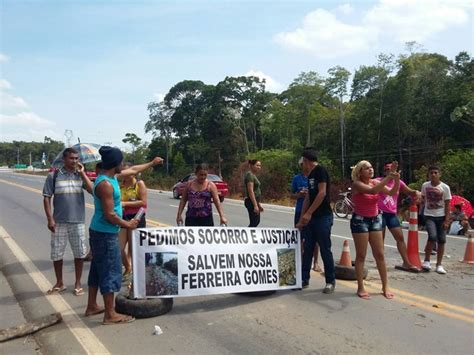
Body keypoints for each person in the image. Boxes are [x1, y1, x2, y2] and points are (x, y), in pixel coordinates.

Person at [84, 147, 164, 324]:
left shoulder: (111, 177)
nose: (124, 165)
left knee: (97, 270)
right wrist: (127, 224)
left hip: (101, 231)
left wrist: (151, 163)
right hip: (105, 233)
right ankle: (110, 315)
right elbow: (110, 214)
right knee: (111, 271)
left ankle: (91, 306)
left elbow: (135, 170)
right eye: (121, 161)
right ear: (114, 164)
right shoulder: (105, 184)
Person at [42, 148, 93, 296]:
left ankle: (77, 284)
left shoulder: (80, 176)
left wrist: (83, 173)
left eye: (77, 158)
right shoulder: (54, 175)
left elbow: (93, 190)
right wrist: (50, 219)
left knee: (79, 254)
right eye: (71, 158)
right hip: (59, 222)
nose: (75, 161)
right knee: (57, 254)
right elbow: (47, 197)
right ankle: (59, 283)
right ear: (64, 159)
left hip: (77, 221)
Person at [350, 160, 400, 300]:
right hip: (360, 221)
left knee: (380, 254)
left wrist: (396, 179)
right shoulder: (357, 184)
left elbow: (392, 192)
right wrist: (389, 176)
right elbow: (373, 191)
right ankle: (361, 286)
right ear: (360, 172)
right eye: (366, 168)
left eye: (371, 167)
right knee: (361, 255)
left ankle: (385, 286)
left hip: (376, 219)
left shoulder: (374, 182)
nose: (370, 170)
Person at [296, 148, 335, 293]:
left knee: (325, 248)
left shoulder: (320, 170)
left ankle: (330, 281)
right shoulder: (310, 175)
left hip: (323, 216)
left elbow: (322, 193)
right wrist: (302, 218)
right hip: (311, 219)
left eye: (302, 161)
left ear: (306, 161)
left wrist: (310, 213)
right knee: (308, 249)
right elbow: (308, 197)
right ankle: (304, 279)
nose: (302, 164)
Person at [376, 163, 420, 272]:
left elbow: (409, 191)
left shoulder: (399, 182)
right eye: (387, 170)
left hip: (391, 214)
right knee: (380, 239)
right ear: (384, 171)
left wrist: (416, 192)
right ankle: (380, 262)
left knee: (400, 237)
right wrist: (389, 177)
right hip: (379, 213)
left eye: (392, 170)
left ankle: (406, 262)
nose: (390, 172)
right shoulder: (378, 180)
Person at [291, 158, 321, 272]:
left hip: (314, 210)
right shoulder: (297, 178)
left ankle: (316, 262)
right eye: (304, 164)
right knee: (299, 236)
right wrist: (299, 194)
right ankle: (300, 261)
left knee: (316, 238)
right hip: (300, 210)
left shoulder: (316, 177)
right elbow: (291, 194)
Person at [119, 162, 147, 281]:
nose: (126, 175)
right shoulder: (121, 185)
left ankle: (137, 276)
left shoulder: (139, 184)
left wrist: (125, 203)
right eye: (124, 172)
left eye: (129, 172)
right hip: (123, 217)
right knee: (118, 247)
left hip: (137, 218)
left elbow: (143, 202)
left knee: (134, 247)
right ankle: (128, 267)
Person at [421, 166, 452, 274]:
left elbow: (448, 205)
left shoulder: (445, 187)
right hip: (429, 215)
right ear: (428, 175)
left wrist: (447, 220)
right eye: (431, 173)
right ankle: (427, 260)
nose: (433, 175)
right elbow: (423, 199)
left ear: (439, 174)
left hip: (441, 216)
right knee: (432, 236)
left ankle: (439, 264)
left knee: (442, 240)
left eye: (435, 173)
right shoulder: (425, 186)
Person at [244, 160, 263, 227]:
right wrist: (255, 205)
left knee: (255, 221)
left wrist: (258, 204)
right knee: (255, 221)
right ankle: (247, 235)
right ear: (252, 166)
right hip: (251, 201)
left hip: (254, 201)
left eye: (260, 166)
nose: (259, 167)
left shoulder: (253, 175)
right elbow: (250, 191)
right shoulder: (250, 175)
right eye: (257, 165)